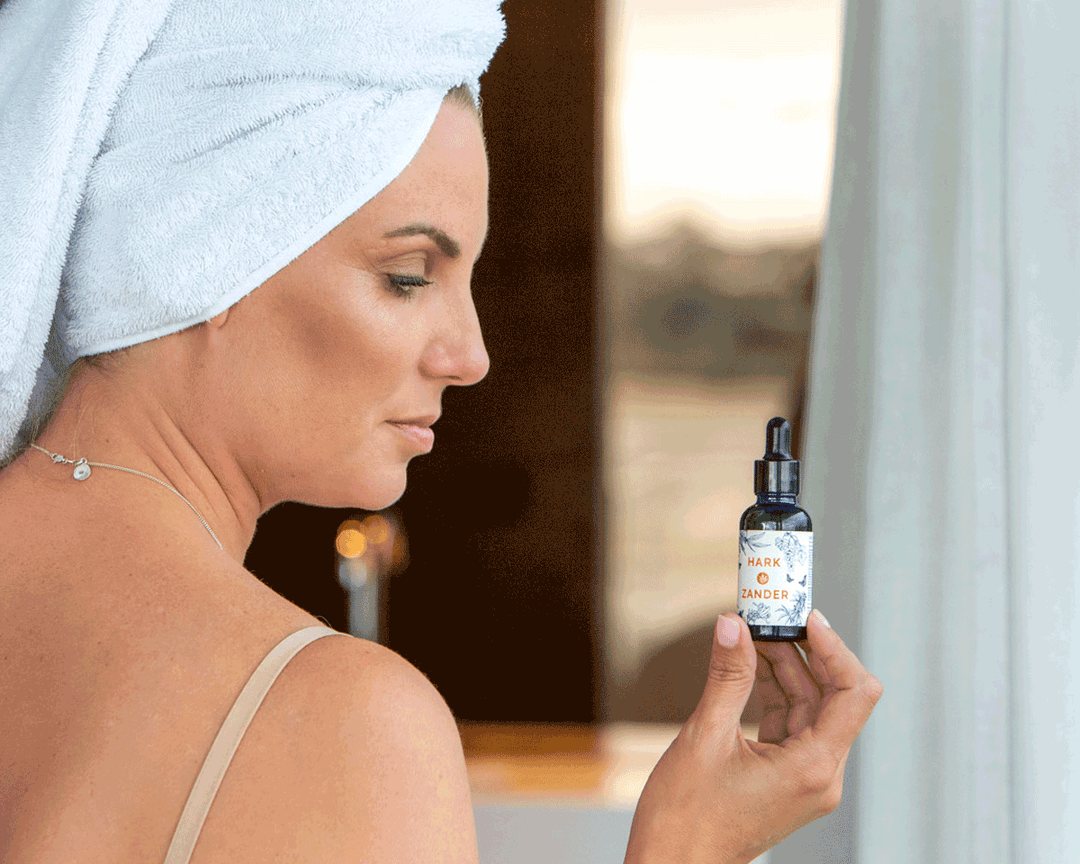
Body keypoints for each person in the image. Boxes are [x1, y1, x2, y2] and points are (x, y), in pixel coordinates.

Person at [0, 0, 881, 861]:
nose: (471, 357)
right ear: (203, 252)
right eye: (410, 275)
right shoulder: (343, 727)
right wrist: (690, 847)